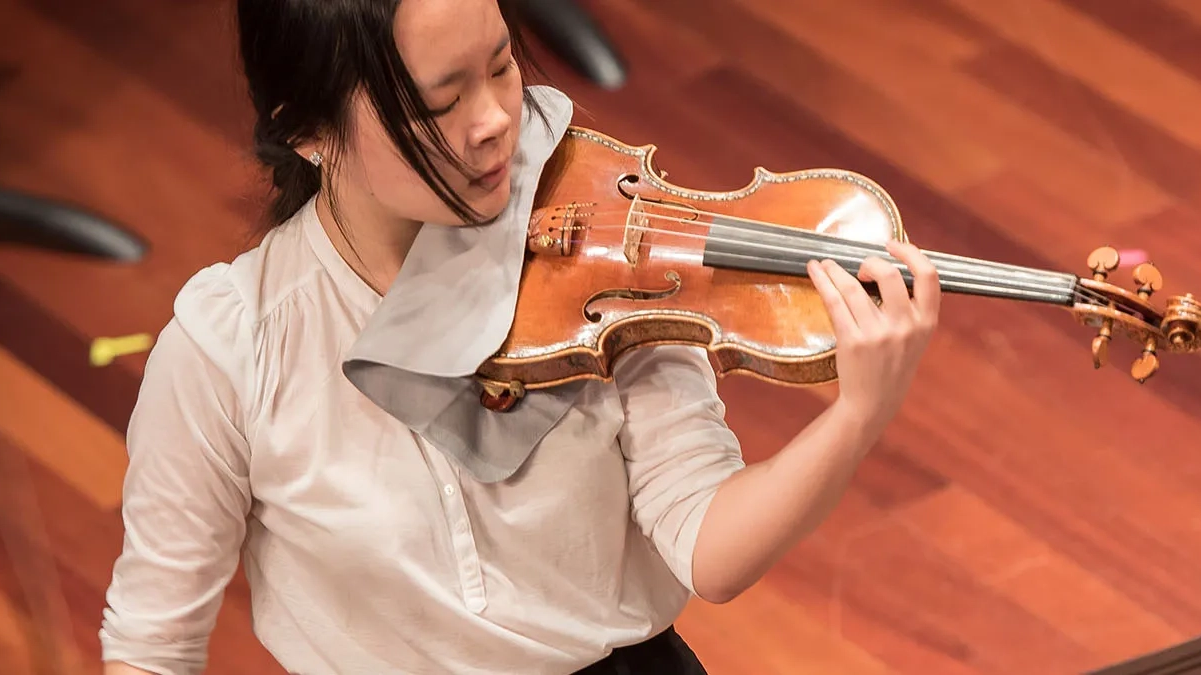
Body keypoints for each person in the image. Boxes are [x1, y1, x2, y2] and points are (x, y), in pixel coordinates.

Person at [97, 0, 940, 673]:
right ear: (308, 133)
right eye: (439, 101)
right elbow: (151, 645)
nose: (498, 118)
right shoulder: (230, 347)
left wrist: (856, 416)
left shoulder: (611, 248)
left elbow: (707, 547)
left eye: (501, 64)